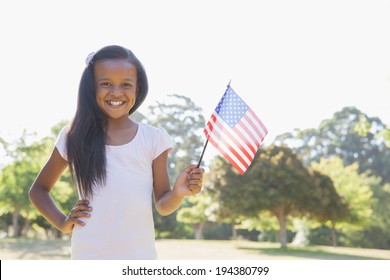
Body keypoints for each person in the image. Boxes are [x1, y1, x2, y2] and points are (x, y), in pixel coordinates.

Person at [29, 45, 205, 260]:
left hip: (139, 258)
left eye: (126, 85)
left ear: (137, 89)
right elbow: (38, 190)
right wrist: (63, 223)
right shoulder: (74, 136)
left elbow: (163, 205)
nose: (116, 92)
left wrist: (178, 193)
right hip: (88, 257)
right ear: (91, 88)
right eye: (105, 84)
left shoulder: (153, 138)